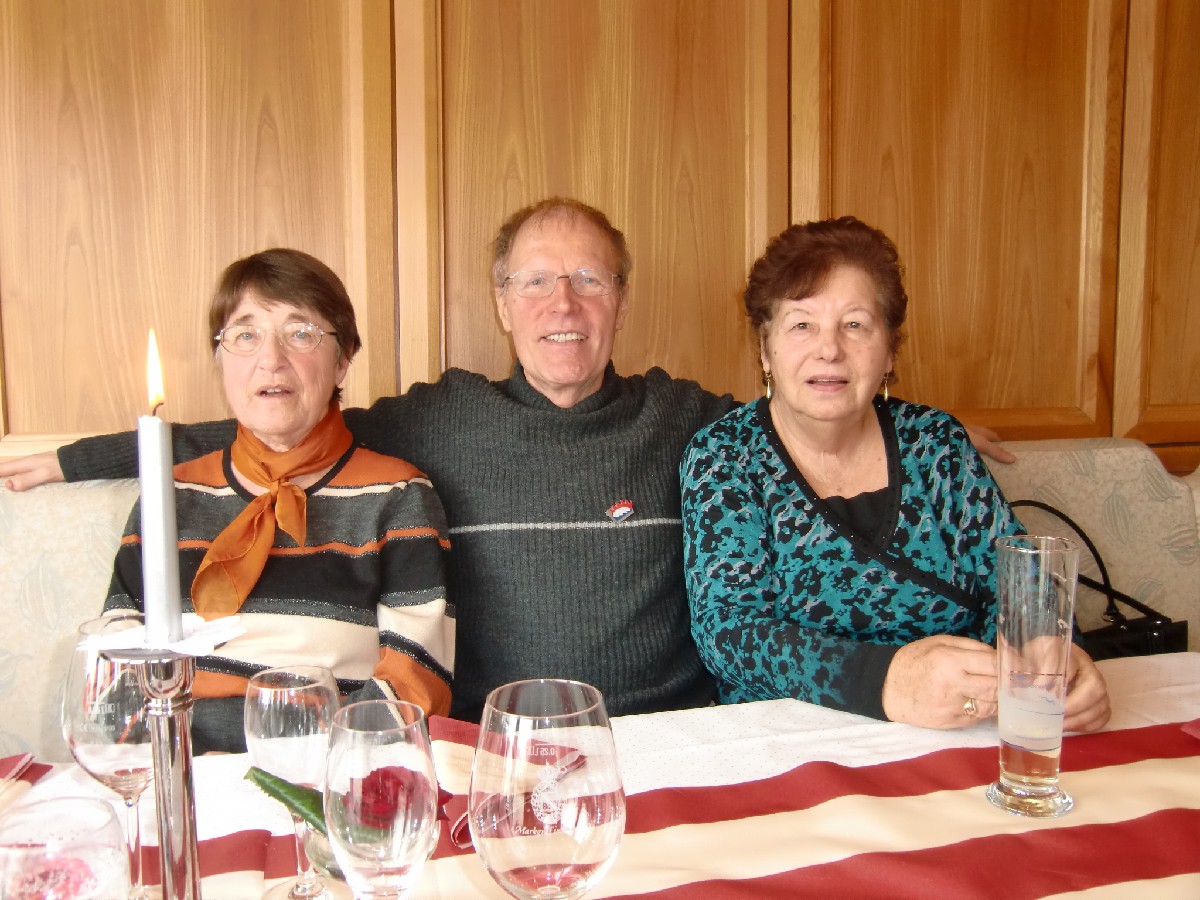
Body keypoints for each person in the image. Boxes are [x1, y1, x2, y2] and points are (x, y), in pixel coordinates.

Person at [1, 199, 1016, 724]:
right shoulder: (441, 420)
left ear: (620, 300)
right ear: (500, 303)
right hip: (502, 744)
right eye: (535, 282)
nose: (561, 307)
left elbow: (809, 406)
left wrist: (914, 424)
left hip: (673, 736)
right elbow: (279, 411)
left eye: (588, 280)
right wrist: (75, 457)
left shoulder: (688, 423)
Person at [680, 216, 1109, 731]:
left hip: (963, 731)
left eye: (855, 324)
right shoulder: (725, 456)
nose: (829, 349)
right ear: (765, 349)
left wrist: (1052, 651)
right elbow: (729, 633)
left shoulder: (936, 444)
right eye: (801, 325)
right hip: (791, 741)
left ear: (889, 351)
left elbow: (1022, 585)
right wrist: (887, 682)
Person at [103, 248, 454, 752]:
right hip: (185, 765)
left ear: (342, 361)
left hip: (326, 768)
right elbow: (113, 671)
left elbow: (417, 682)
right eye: (245, 336)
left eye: (300, 333)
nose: (270, 359)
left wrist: (310, 758)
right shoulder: (168, 499)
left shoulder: (397, 496)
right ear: (220, 360)